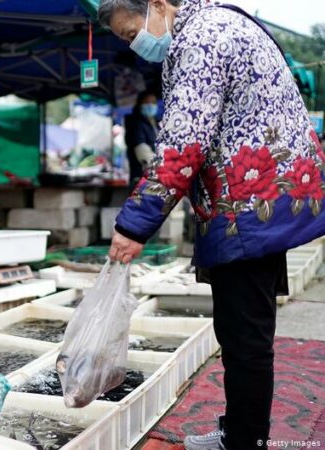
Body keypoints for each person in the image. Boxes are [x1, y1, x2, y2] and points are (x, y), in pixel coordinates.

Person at [98, 0, 325, 449]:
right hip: (262, 197)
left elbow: (182, 144)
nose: (136, 45)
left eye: (130, 34)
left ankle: (244, 441)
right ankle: (240, 431)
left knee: (245, 335)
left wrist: (134, 224)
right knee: (242, 328)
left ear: (159, 6)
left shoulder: (200, 38)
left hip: (250, 208)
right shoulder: (220, 22)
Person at [124, 90, 160, 186]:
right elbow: (142, 150)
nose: (150, 105)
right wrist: (159, 168)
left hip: (155, 175)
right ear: (140, 104)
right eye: (147, 102)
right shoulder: (136, 123)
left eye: (153, 103)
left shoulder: (156, 123)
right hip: (142, 175)